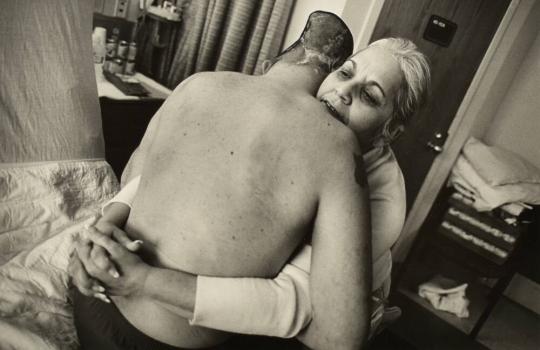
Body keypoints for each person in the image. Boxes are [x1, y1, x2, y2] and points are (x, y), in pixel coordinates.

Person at [72, 34, 430, 350]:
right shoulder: (304, 121)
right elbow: (192, 173)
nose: (344, 92)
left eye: (369, 95)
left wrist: (146, 283)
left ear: (391, 131)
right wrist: (107, 221)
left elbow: (296, 305)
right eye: (346, 72)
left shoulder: (381, 198)